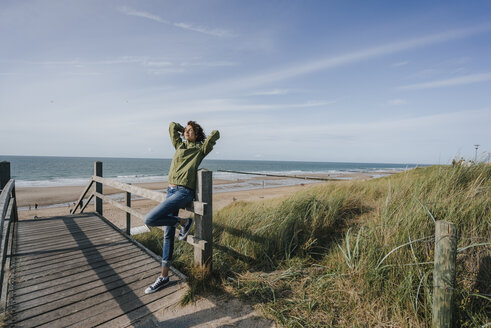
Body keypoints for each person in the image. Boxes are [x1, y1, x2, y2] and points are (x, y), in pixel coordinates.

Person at [143, 121, 220, 294]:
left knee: (149, 219)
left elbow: (216, 134)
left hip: (184, 192)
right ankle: (163, 276)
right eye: (185, 130)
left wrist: (201, 135)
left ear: (197, 134)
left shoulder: (200, 149)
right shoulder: (179, 145)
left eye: (190, 130)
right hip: (170, 190)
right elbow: (171, 126)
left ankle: (184, 222)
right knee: (168, 234)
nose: (186, 132)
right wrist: (183, 128)